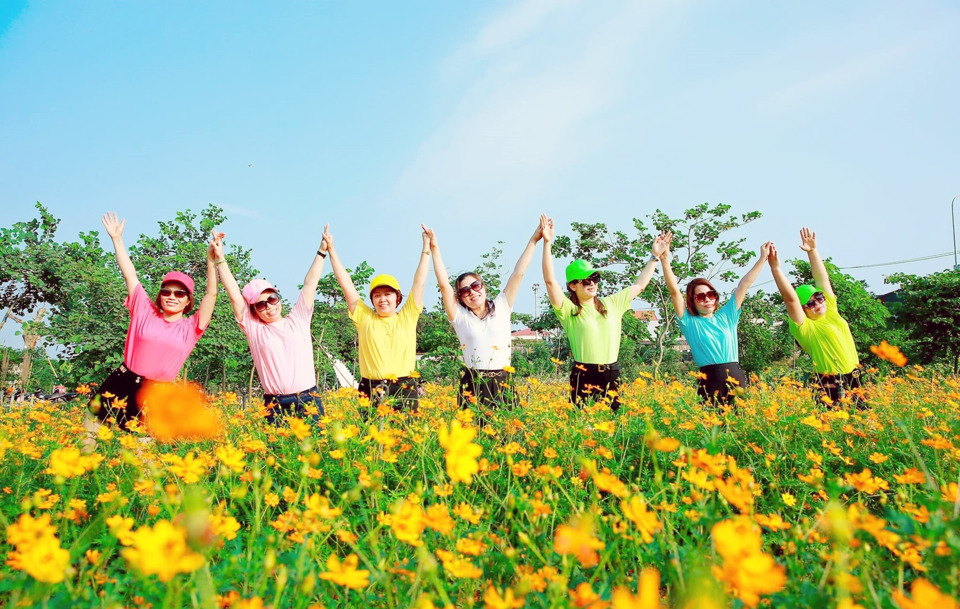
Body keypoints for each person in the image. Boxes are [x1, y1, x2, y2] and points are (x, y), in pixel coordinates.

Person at [85, 212, 218, 440]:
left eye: (179, 293)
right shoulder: (144, 310)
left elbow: (211, 294)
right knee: (88, 437)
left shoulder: (191, 327)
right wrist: (117, 239)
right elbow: (130, 274)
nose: (172, 296)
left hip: (155, 392)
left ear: (188, 300)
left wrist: (211, 260)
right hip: (121, 380)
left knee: (141, 452)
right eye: (166, 291)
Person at [542, 216, 669, 411]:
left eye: (595, 278)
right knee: (584, 428)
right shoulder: (570, 311)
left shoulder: (612, 304)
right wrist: (547, 243)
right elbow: (550, 281)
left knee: (611, 428)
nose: (592, 283)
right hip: (583, 374)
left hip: (611, 372)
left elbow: (639, 285)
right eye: (585, 280)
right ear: (573, 286)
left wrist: (654, 257)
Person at [424, 219, 543, 411]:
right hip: (473, 383)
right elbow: (444, 285)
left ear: (484, 287)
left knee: (507, 435)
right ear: (460, 298)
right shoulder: (460, 318)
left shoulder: (502, 306)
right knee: (473, 436)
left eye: (475, 286)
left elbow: (518, 273)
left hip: (503, 382)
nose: (472, 292)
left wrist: (534, 239)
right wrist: (434, 248)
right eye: (465, 291)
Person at [211, 228, 328, 424]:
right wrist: (220, 258)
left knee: (315, 452)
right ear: (254, 309)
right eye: (261, 304)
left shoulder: (298, 318)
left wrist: (322, 251)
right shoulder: (255, 329)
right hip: (276, 404)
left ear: (278, 298)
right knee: (277, 454)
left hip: (308, 399)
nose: (269, 306)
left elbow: (310, 284)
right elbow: (234, 294)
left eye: (272, 299)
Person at [324, 225, 430, 413]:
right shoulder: (364, 317)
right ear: (372, 299)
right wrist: (331, 250)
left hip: (404, 387)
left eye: (387, 294)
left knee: (405, 439)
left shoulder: (408, 316)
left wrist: (426, 247)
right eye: (377, 295)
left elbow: (419, 282)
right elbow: (346, 283)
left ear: (397, 298)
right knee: (372, 439)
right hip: (370, 388)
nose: (382, 299)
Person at [661, 234, 772, 405]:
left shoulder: (728, 316)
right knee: (711, 426)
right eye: (701, 297)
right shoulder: (690, 322)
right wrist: (665, 259)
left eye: (711, 294)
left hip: (735, 377)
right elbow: (674, 291)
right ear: (692, 301)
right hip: (709, 380)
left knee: (738, 425)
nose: (707, 299)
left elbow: (744, 285)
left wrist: (762, 258)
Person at [768, 227, 862, 406]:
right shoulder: (805, 327)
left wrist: (813, 251)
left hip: (855, 376)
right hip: (831, 383)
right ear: (803, 309)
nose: (818, 304)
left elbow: (822, 279)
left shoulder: (831, 312)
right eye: (810, 303)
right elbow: (790, 300)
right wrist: (776, 268)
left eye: (819, 298)